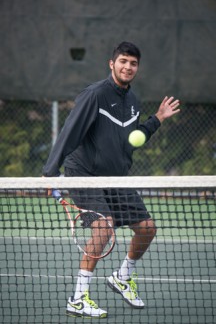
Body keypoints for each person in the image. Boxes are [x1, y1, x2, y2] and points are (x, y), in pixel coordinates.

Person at [43, 41, 180, 318]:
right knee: (103, 228)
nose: (128, 67)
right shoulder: (94, 95)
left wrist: (157, 119)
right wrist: (50, 173)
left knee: (147, 228)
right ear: (112, 64)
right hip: (84, 174)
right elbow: (70, 132)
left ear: (137, 68)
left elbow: (130, 140)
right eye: (123, 62)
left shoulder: (133, 102)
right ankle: (78, 298)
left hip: (116, 177)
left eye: (133, 63)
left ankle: (122, 277)